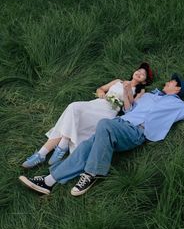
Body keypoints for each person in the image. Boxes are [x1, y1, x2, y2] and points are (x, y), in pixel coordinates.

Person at [19, 75, 184, 196]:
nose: (167, 82)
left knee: (104, 125)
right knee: (87, 146)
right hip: (120, 124)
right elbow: (129, 109)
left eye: (171, 82)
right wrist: (128, 95)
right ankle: (48, 181)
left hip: (135, 133)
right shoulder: (148, 96)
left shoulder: (178, 106)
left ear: (178, 89)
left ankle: (93, 173)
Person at [22, 62, 153, 168]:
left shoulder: (139, 91)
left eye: (143, 74)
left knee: (68, 120)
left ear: (144, 81)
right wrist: (101, 93)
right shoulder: (117, 81)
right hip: (96, 104)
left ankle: (42, 153)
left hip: (108, 113)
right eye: (139, 70)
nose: (140, 73)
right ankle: (61, 145)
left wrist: (127, 91)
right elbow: (100, 89)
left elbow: (129, 108)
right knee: (73, 107)